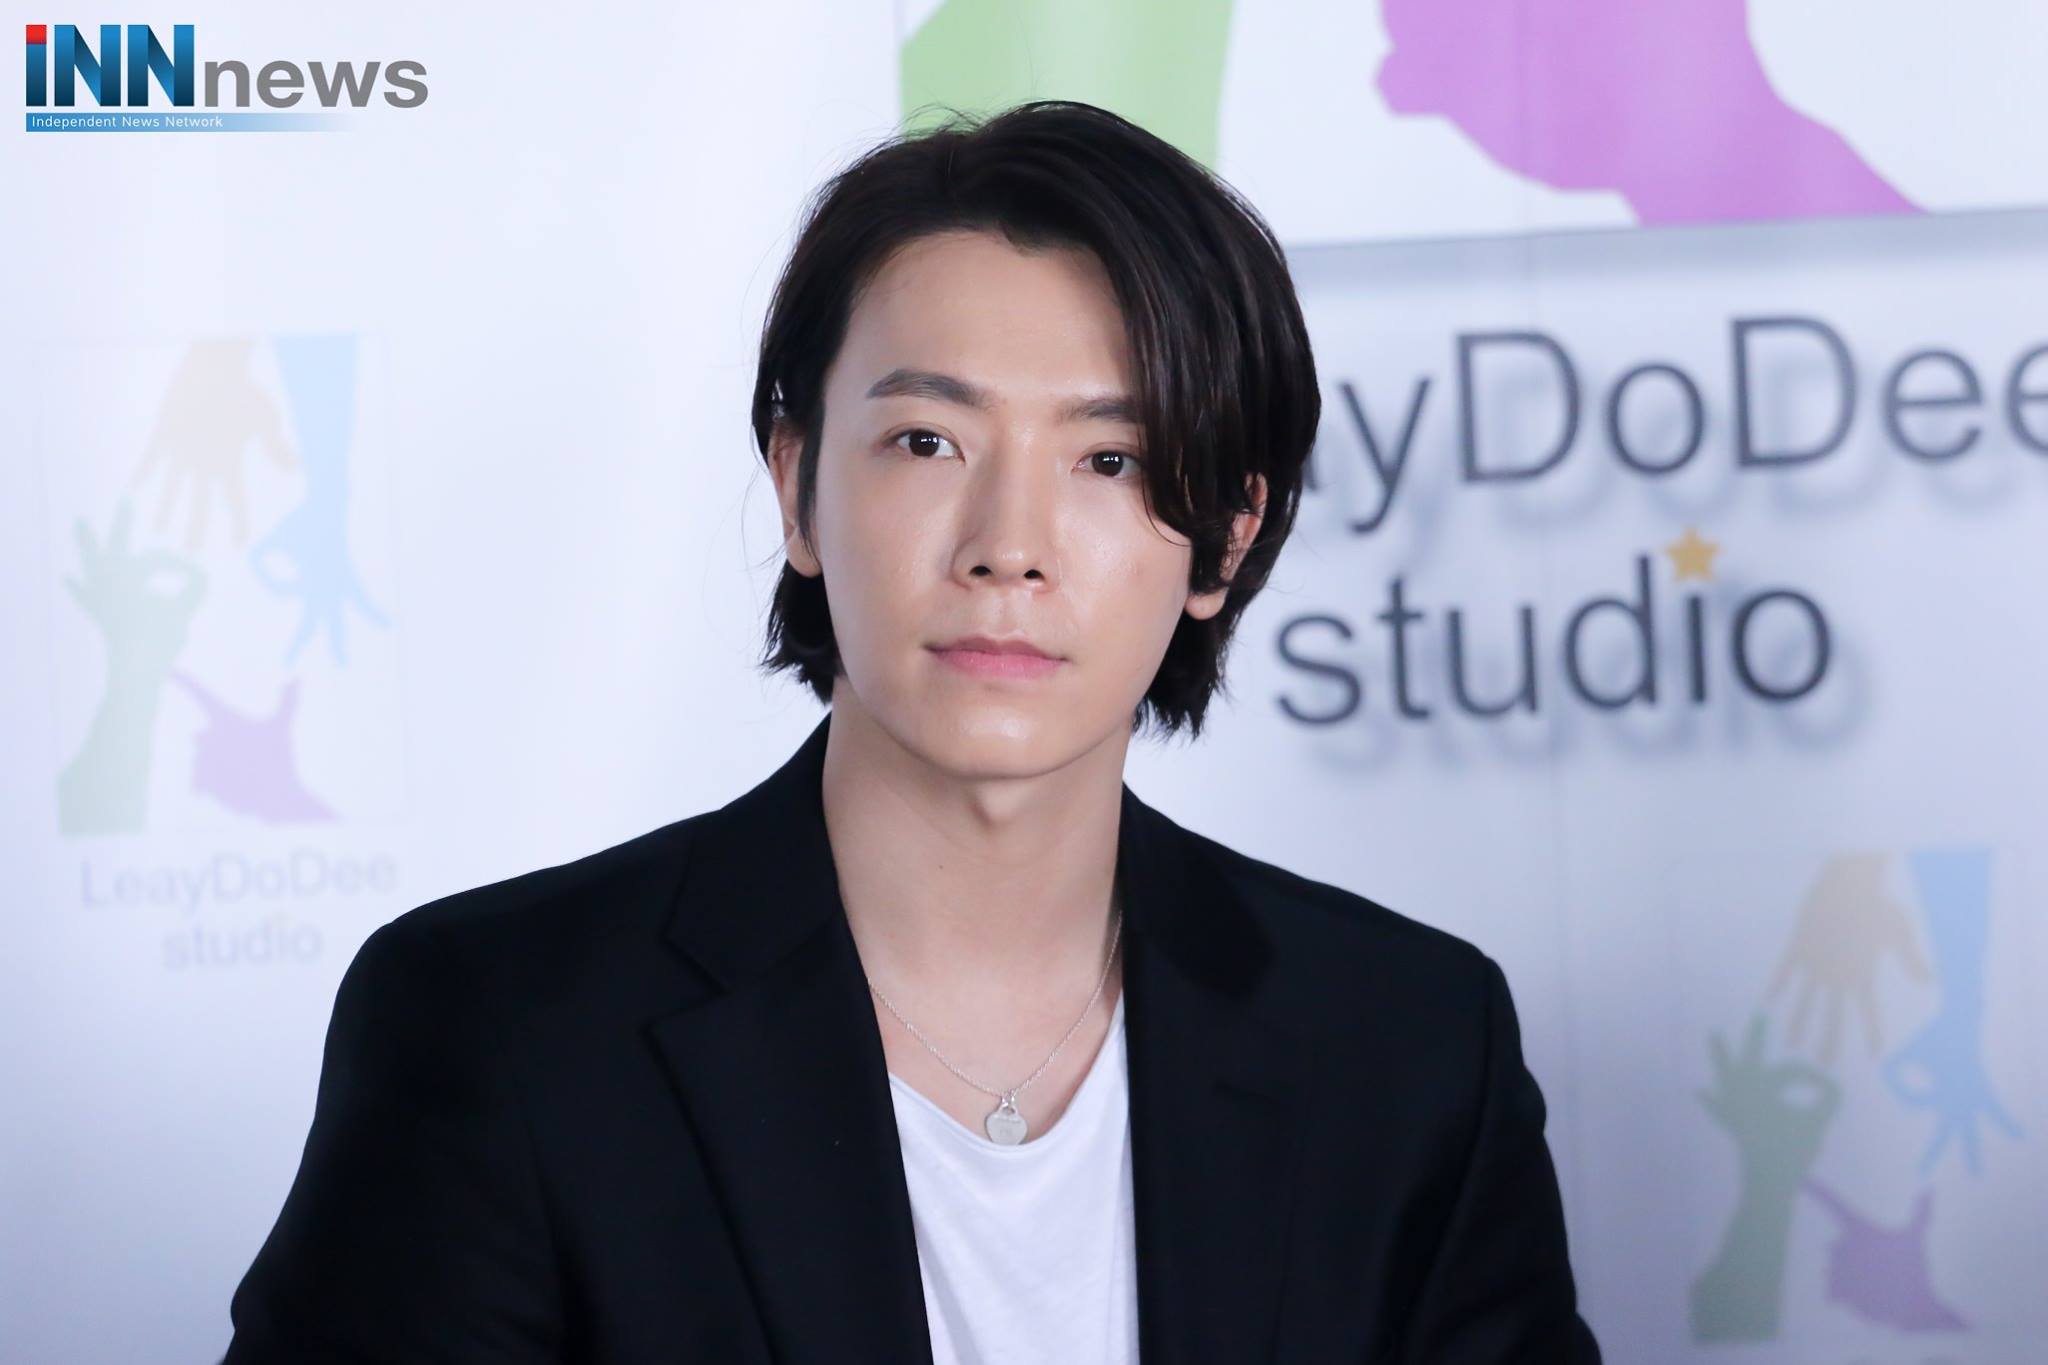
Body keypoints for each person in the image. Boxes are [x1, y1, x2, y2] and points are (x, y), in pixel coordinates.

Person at [222, 98, 1602, 1364]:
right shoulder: (502, 1028)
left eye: (1110, 459)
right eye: (928, 441)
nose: (1010, 545)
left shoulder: (1409, 1047)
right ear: (797, 488)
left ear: (1226, 540)